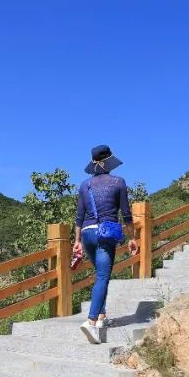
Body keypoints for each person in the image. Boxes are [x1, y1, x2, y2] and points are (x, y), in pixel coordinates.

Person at [72, 145, 139, 344]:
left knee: (100, 274)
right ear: (109, 162)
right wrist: (132, 237)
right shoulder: (119, 182)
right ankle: (91, 321)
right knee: (103, 276)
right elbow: (126, 214)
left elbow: (79, 216)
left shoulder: (85, 185)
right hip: (105, 234)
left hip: (86, 234)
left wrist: (76, 242)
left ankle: (101, 317)